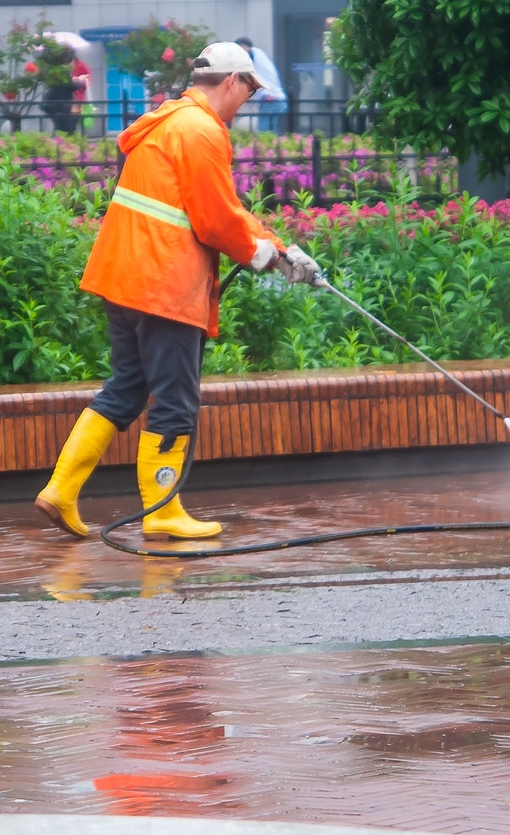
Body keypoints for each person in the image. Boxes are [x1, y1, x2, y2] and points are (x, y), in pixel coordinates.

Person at [35, 40, 322, 540]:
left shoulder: (169, 122)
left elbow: (221, 208)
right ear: (232, 81)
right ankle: (162, 510)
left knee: (127, 386)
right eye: (248, 92)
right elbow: (214, 220)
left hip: (124, 279)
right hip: (163, 285)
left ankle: (61, 490)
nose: (245, 104)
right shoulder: (201, 131)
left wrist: (280, 247)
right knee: (174, 400)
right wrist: (264, 258)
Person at [234, 36, 287, 132]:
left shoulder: (251, 55)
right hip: (277, 99)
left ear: (243, 47)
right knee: (272, 135)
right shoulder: (259, 54)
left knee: (264, 135)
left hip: (270, 100)